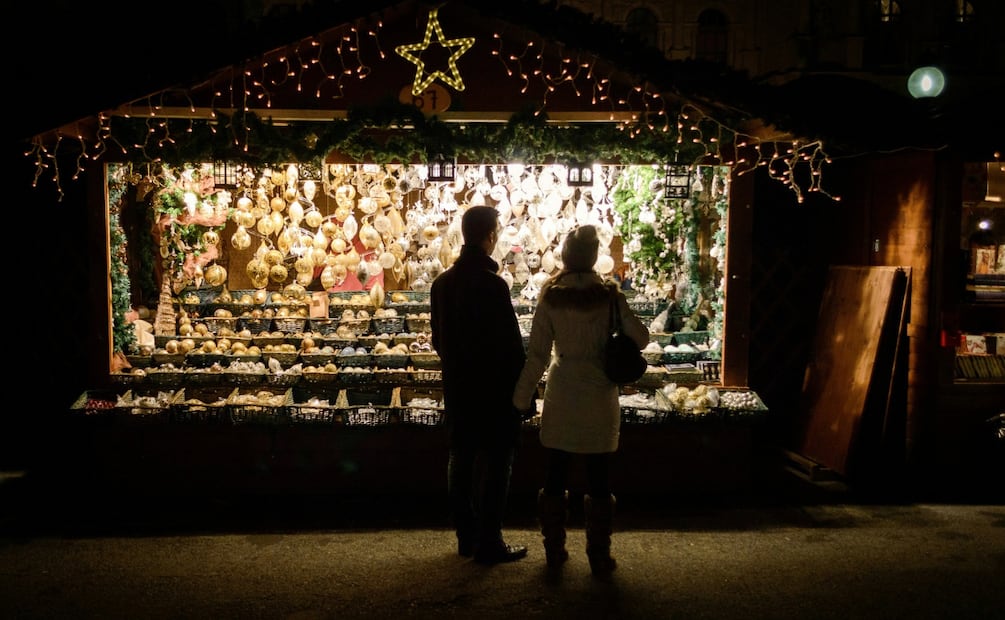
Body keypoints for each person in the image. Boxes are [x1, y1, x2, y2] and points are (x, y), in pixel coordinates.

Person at [512, 224, 649, 576]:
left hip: (563, 391)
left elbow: (538, 355)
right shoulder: (610, 296)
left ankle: (554, 550)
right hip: (599, 392)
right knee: (599, 476)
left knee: (556, 472)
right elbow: (642, 338)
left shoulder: (551, 296)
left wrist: (520, 397)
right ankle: (599, 555)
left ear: (565, 256)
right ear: (592, 257)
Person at [430, 205, 529, 565]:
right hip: (494, 391)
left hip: (459, 387)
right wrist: (523, 393)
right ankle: (489, 541)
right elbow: (511, 345)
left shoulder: (441, 284)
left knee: (461, 457)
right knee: (497, 462)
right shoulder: (493, 285)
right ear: (490, 236)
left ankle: (465, 537)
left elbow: (438, 339)